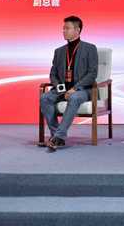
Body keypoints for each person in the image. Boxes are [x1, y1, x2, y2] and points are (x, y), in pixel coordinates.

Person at [40, 16, 98, 150]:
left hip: (82, 90)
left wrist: (75, 88)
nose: (64, 31)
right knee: (45, 98)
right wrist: (58, 87)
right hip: (62, 89)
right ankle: (57, 136)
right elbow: (53, 74)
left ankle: (58, 137)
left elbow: (92, 74)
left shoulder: (90, 48)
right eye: (63, 28)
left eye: (67, 28)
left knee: (74, 97)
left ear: (77, 30)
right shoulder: (59, 51)